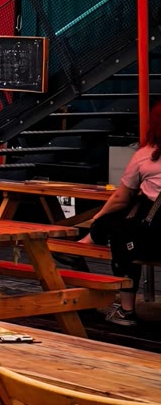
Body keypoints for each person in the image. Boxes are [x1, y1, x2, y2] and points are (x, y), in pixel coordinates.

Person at [83, 105, 161, 325]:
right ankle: (89, 239)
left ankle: (127, 311)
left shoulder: (145, 156)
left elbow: (121, 198)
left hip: (153, 238)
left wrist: (97, 218)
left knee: (120, 233)